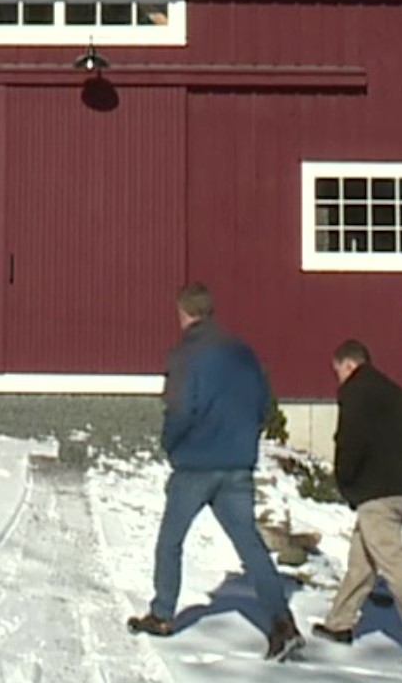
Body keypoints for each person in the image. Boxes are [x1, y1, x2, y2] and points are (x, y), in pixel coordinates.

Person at [127, 282, 304, 662]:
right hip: (237, 465)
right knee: (249, 545)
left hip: (195, 464)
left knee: (171, 541)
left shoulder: (186, 355)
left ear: (183, 313)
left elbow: (180, 409)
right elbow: (261, 404)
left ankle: (162, 614)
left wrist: (171, 444)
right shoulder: (242, 353)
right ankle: (282, 621)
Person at [313, 338, 402, 671]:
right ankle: (339, 623)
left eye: (338, 372)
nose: (339, 379)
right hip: (401, 489)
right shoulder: (395, 392)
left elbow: (349, 443)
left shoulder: (354, 392)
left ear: (349, 365)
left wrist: (346, 482)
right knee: (362, 560)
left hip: (375, 493)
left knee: (393, 567)